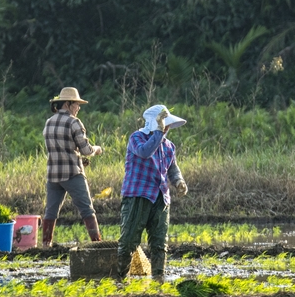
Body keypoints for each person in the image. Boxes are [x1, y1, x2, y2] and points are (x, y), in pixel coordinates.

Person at [117, 104, 188, 282]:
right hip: (138, 195)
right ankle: (120, 278)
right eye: (164, 125)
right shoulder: (136, 138)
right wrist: (158, 131)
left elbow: (172, 169)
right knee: (129, 241)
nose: (167, 128)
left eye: (166, 125)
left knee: (159, 242)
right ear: (154, 124)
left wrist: (179, 182)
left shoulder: (169, 146)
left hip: (160, 197)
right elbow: (145, 152)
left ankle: (158, 278)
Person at [41, 86, 104, 246]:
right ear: (68, 104)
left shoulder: (49, 122)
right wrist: (96, 149)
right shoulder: (74, 122)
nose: (79, 107)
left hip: (53, 174)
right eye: (76, 104)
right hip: (72, 173)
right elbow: (85, 150)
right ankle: (97, 243)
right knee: (87, 209)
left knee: (51, 211)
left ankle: (45, 245)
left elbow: (59, 149)